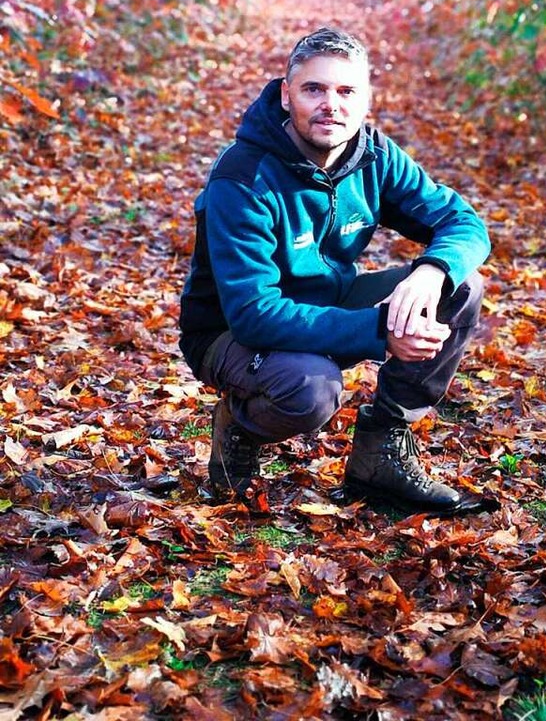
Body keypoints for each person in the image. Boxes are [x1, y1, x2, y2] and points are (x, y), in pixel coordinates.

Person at [179, 27, 490, 514]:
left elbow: (464, 223)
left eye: (346, 92)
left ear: (366, 99)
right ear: (286, 96)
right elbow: (253, 313)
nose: (331, 105)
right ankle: (239, 426)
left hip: (327, 302)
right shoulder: (243, 177)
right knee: (311, 390)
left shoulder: (373, 155)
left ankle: (381, 449)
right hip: (229, 334)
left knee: (460, 284)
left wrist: (431, 270)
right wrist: (379, 329)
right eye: (314, 89)